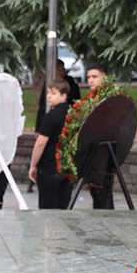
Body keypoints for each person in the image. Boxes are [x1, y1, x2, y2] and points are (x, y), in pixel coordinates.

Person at [28, 79, 74, 208]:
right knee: (62, 209)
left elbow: (40, 143)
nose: (48, 96)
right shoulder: (73, 115)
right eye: (48, 92)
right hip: (67, 168)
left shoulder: (51, 117)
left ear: (63, 96)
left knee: (48, 212)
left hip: (49, 168)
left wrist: (33, 165)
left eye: (53, 93)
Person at [81, 62, 115, 209]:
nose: (91, 80)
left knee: (103, 194)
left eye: (95, 76)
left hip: (104, 152)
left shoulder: (110, 98)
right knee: (95, 192)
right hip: (92, 151)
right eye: (88, 77)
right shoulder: (92, 98)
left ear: (104, 77)